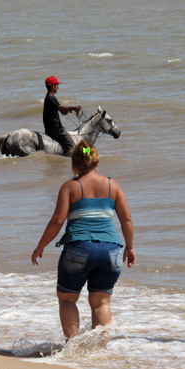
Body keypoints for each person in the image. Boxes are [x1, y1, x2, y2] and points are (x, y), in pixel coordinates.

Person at [31, 140, 136, 341]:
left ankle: (72, 347)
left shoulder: (70, 187)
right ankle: (99, 352)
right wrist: (129, 247)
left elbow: (57, 221)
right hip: (111, 250)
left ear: (74, 164)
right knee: (101, 303)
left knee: (68, 299)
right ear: (97, 163)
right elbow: (127, 220)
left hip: (79, 248)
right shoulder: (112, 185)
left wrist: (40, 246)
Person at [43, 76, 82, 155]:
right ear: (52, 86)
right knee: (73, 148)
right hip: (56, 130)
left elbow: (62, 110)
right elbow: (60, 107)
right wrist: (73, 108)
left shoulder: (49, 97)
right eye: (57, 85)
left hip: (49, 129)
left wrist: (67, 110)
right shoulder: (51, 98)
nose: (58, 87)